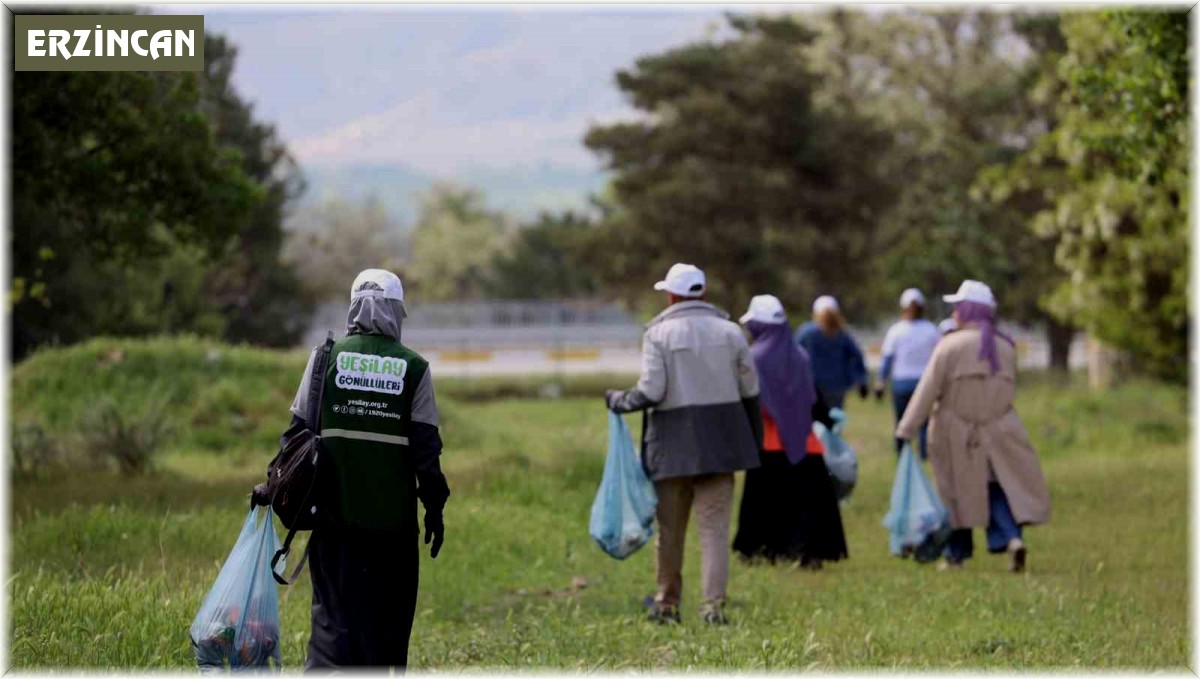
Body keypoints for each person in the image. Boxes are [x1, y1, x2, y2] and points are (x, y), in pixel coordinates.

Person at [288, 269, 450, 670]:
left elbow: (294, 437)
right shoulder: (414, 368)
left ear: (353, 307)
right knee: (386, 632)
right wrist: (434, 508)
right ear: (396, 312)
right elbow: (426, 452)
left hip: (333, 523)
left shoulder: (324, 358)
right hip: (391, 530)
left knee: (331, 628)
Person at [605, 263, 761, 626]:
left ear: (671, 296)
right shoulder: (732, 332)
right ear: (703, 293)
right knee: (714, 531)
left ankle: (667, 604)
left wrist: (619, 400)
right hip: (722, 445)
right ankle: (713, 608)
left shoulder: (658, 334)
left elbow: (652, 391)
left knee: (670, 532)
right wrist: (752, 442)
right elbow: (750, 390)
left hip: (672, 448)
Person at [896, 280, 1051, 572]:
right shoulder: (1005, 347)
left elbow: (926, 392)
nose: (954, 312)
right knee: (997, 488)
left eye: (958, 306)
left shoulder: (949, 346)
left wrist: (905, 429)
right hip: (998, 431)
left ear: (966, 310)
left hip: (955, 432)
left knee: (954, 494)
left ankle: (957, 556)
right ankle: (1012, 538)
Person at [732, 295, 848, 570]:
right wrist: (829, 424)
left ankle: (762, 550)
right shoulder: (800, 355)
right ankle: (810, 555)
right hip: (805, 445)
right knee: (807, 506)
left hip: (769, 443)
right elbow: (814, 399)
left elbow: (749, 401)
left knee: (764, 505)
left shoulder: (755, 358)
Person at [875, 288, 941, 459]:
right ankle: (924, 454)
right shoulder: (931, 330)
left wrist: (881, 382)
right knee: (924, 421)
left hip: (901, 383)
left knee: (902, 420)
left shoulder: (896, 330)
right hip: (924, 382)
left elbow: (888, 359)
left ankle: (902, 453)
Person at [794, 295, 868, 409]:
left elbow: (793, 355)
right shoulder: (842, 334)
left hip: (812, 387)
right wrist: (860, 380)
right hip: (837, 387)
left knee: (815, 424)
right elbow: (856, 356)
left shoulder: (806, 332)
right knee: (835, 422)